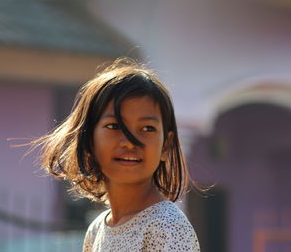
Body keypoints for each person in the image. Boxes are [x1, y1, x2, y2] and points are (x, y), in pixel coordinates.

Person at [34, 58, 200, 251]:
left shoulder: (165, 226)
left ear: (166, 147)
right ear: (88, 141)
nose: (129, 142)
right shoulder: (96, 230)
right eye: (114, 126)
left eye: (147, 128)